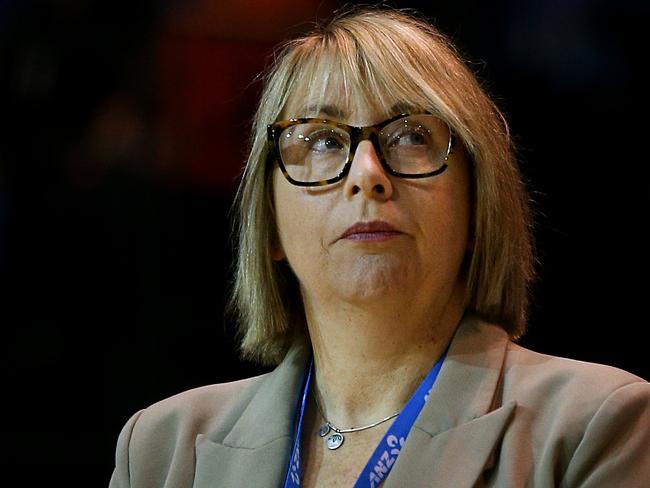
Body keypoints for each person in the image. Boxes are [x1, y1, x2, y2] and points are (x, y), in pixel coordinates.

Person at [109, 7, 650, 487]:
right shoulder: (163, 452)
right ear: (269, 225)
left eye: (411, 136)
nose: (367, 174)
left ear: (477, 204)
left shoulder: (593, 425)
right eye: (322, 140)